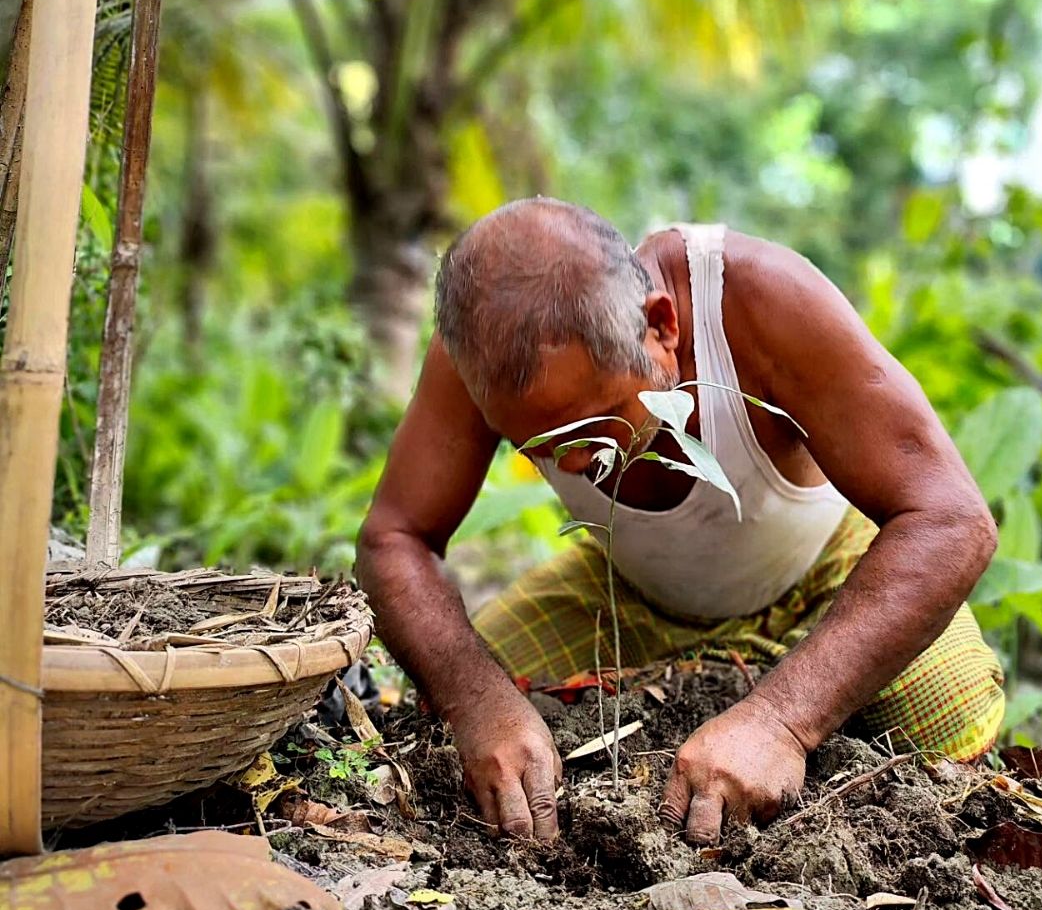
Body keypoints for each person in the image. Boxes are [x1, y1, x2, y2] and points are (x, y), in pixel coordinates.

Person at [357, 198, 1004, 847]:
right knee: (468, 720)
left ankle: (779, 680)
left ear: (661, 327)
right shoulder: (481, 351)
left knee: (947, 714)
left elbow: (952, 519)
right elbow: (394, 538)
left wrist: (783, 720)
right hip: (629, 594)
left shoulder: (763, 302)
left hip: (825, 572)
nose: (579, 463)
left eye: (597, 422)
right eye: (541, 447)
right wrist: (478, 705)